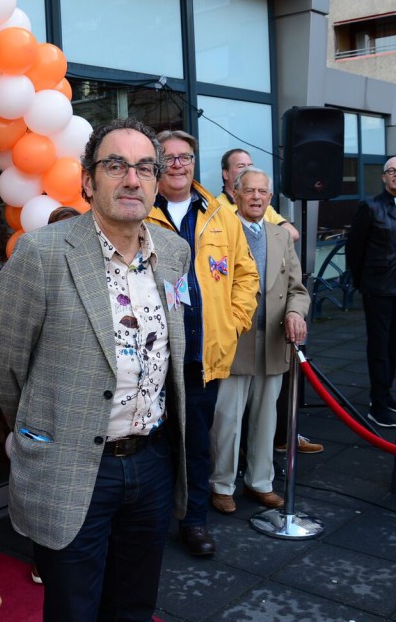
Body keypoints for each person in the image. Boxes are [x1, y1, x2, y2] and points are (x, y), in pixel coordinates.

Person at [0, 118, 190, 621]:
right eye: (115, 165)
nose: (131, 179)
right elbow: (2, 363)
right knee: (74, 609)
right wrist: (46, 428)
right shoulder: (43, 254)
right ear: (87, 179)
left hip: (151, 462)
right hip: (74, 468)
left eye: (145, 167)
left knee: (134, 606)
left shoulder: (173, 254)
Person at [146, 129, 258, 557]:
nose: (178, 164)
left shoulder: (219, 212)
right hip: (152, 355)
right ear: (156, 163)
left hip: (200, 355)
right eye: (169, 157)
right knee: (153, 447)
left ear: (195, 162)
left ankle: (193, 522)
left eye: (185, 157)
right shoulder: (139, 210)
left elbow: (245, 274)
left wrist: (234, 321)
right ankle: (152, 522)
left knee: (196, 446)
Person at [209, 168, 309, 514]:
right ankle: (222, 485)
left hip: (273, 341)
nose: (255, 197)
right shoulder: (219, 232)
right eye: (249, 190)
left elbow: (297, 289)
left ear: (270, 198)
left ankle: (260, 482)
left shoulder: (280, 237)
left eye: (262, 192)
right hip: (234, 341)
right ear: (234, 193)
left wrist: (296, 312)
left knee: (266, 419)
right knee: (227, 420)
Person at [346, 156, 396, 429]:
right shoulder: (370, 206)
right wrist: (362, 281)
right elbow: (355, 249)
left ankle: (385, 394)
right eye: (392, 170)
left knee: (394, 344)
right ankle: (377, 404)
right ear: (384, 177)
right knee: (378, 347)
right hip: (377, 287)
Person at [217, 148, 300, 241]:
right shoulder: (216, 207)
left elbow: (293, 234)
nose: (248, 170)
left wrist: (261, 241)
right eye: (241, 166)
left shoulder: (260, 203)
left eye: (250, 166)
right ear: (226, 174)